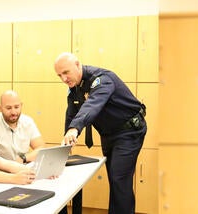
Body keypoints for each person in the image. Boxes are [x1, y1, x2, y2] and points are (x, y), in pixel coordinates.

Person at [54, 52, 147, 214]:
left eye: (66, 72)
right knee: (115, 180)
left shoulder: (102, 79)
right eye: (59, 75)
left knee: (119, 179)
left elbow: (92, 104)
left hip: (129, 131)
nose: (63, 79)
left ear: (77, 65)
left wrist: (75, 128)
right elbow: (71, 113)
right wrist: (67, 140)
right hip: (109, 134)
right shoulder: (74, 87)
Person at [0, 90, 45, 163]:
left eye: (16, 107)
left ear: (21, 105)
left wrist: (23, 158)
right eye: (8, 108)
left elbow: (41, 148)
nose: (13, 112)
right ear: (0, 108)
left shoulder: (28, 121)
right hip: (2, 171)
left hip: (24, 167)